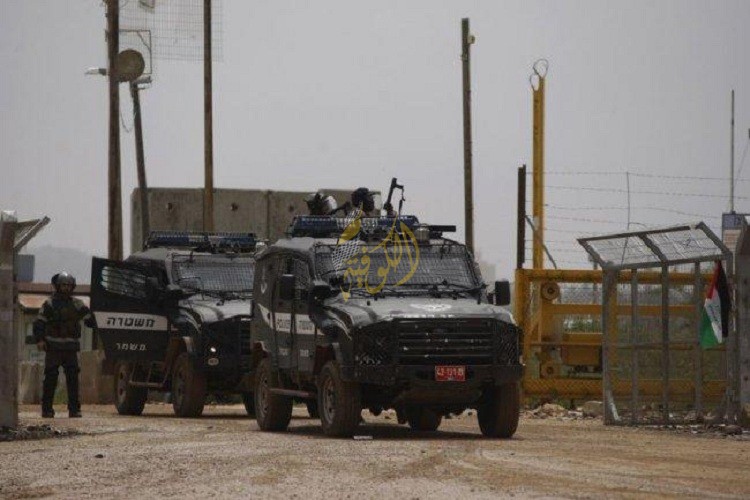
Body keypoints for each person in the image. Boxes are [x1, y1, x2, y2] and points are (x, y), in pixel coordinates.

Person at [33, 272, 95, 418]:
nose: (66, 288)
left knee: (73, 380)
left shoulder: (78, 304)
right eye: (63, 285)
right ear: (57, 286)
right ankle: (47, 409)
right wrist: (40, 340)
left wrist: (95, 317)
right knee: (50, 379)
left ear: (72, 287)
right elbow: (39, 323)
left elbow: (90, 320)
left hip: (71, 348)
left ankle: (74, 409)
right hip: (53, 348)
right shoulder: (49, 304)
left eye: (68, 285)